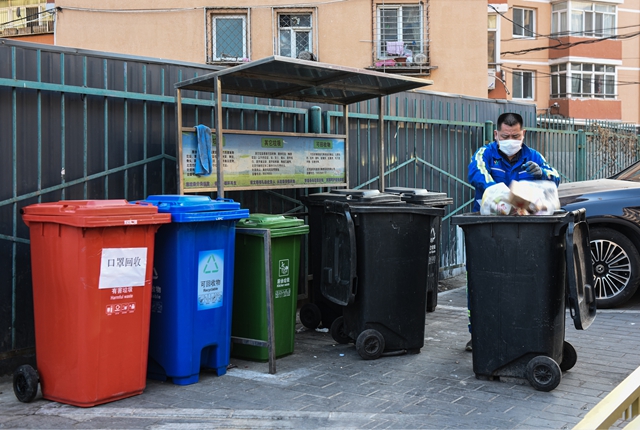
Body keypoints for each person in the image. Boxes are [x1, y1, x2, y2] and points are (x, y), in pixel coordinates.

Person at [464, 112, 560, 351]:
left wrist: (542, 173)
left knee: (520, 282)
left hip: (524, 230)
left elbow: (555, 178)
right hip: (489, 229)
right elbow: (476, 174)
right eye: (506, 136)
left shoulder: (533, 157)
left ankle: (517, 330)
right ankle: (478, 333)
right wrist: (502, 197)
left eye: (515, 135)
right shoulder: (485, 154)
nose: (511, 139)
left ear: (523, 133)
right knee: (484, 280)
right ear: (496, 134)